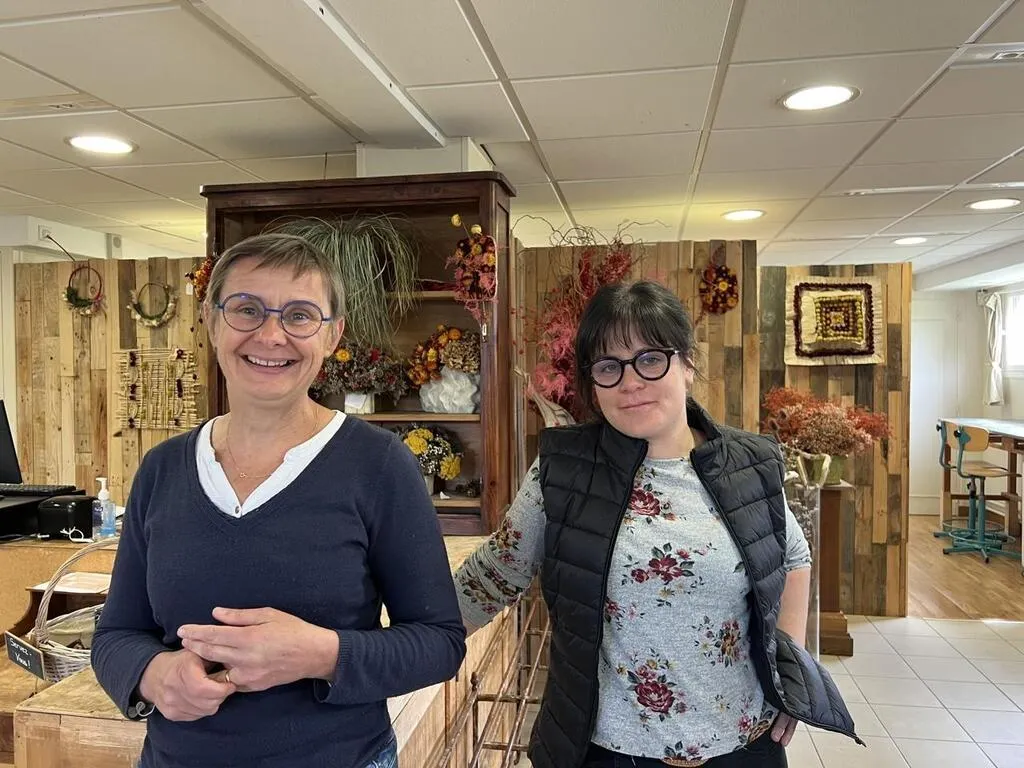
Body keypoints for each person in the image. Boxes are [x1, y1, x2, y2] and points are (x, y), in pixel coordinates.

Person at [92, 232, 466, 768]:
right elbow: (117, 634)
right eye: (247, 309)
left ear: (332, 334)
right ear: (212, 320)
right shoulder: (163, 469)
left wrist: (320, 654)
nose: (271, 335)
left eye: (299, 315)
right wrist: (152, 675)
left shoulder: (379, 465)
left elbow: (439, 643)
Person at [454, 280, 860, 768]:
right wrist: (400, 645)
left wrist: (790, 670)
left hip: (744, 746)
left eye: (650, 359)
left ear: (686, 363)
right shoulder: (563, 469)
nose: (630, 381)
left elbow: (793, 556)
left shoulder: (750, 463)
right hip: (611, 753)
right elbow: (494, 574)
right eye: (609, 366)